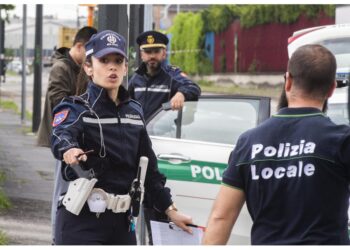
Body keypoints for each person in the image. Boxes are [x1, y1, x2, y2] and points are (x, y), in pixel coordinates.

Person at [51, 30, 193, 245]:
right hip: (82, 222)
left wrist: (170, 210)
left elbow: (150, 171)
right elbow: (61, 134)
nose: (112, 67)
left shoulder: (134, 112)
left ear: (126, 67)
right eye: (104, 60)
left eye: (118, 61)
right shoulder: (75, 107)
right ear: (88, 67)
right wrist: (70, 149)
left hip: (123, 224)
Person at [202, 44, 350, 245]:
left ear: (287, 81)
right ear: (332, 88)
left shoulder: (248, 142)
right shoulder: (341, 140)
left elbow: (221, 218)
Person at [36, 26, 97, 242]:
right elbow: (58, 103)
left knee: (78, 193)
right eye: (89, 52)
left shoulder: (80, 67)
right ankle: (56, 238)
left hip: (81, 142)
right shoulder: (62, 68)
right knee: (62, 194)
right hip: (65, 141)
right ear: (79, 46)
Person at [128, 30, 201, 121]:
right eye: (148, 51)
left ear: (164, 53)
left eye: (156, 51)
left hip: (162, 132)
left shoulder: (172, 74)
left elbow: (193, 87)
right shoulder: (136, 77)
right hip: (138, 132)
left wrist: (181, 94)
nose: (152, 56)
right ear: (142, 55)